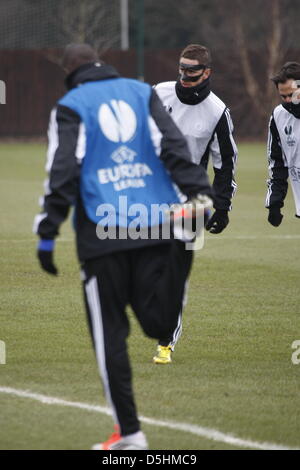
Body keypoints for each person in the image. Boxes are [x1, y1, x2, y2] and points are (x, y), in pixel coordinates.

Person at [33, 43, 213, 450]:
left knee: (109, 335)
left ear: (69, 71)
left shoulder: (70, 104)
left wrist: (47, 232)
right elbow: (173, 147)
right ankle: (183, 253)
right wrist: (199, 192)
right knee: (158, 325)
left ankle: (130, 433)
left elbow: (62, 169)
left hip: (103, 232)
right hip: (155, 223)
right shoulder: (142, 91)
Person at [153, 43, 237, 364]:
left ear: (207, 73)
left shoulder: (218, 112)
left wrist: (223, 206)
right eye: (182, 68)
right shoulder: (158, 93)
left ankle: (165, 342)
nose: (185, 76)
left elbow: (225, 164)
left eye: (192, 70)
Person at [266, 61, 300, 225]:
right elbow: (277, 162)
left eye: (292, 94)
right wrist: (275, 203)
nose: (287, 100)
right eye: (283, 96)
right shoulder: (278, 116)